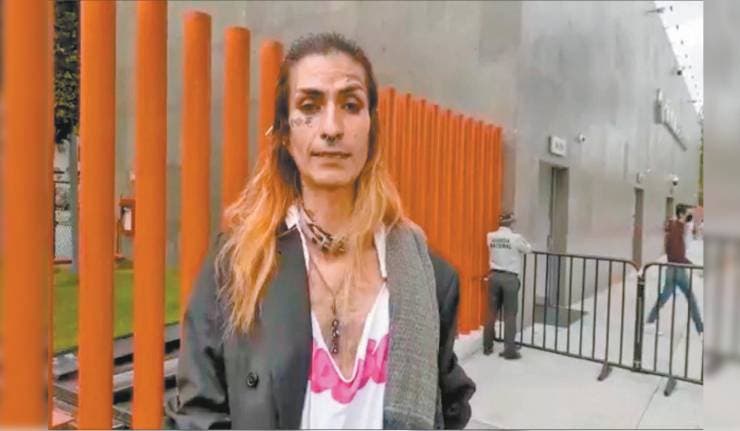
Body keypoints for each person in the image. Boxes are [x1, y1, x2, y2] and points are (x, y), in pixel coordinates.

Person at [165, 33, 475, 429]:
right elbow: (196, 414)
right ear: (284, 134)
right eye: (309, 106)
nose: (331, 128)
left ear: (372, 129)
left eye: (350, 105)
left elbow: (449, 403)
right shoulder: (237, 266)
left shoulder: (429, 278)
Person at [646, 204, 704, 334]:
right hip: (677, 268)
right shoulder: (676, 228)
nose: (689, 216)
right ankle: (700, 328)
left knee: (665, 296)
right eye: (687, 213)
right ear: (681, 214)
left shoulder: (676, 227)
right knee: (690, 297)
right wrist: (689, 264)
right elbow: (676, 253)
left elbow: (673, 250)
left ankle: (650, 321)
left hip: (674, 267)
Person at [483, 212, 531, 360]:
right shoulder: (516, 238)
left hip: (493, 276)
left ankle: (487, 346)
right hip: (510, 278)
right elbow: (528, 249)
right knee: (510, 314)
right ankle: (509, 349)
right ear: (511, 223)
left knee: (491, 313)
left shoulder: (490, 236)